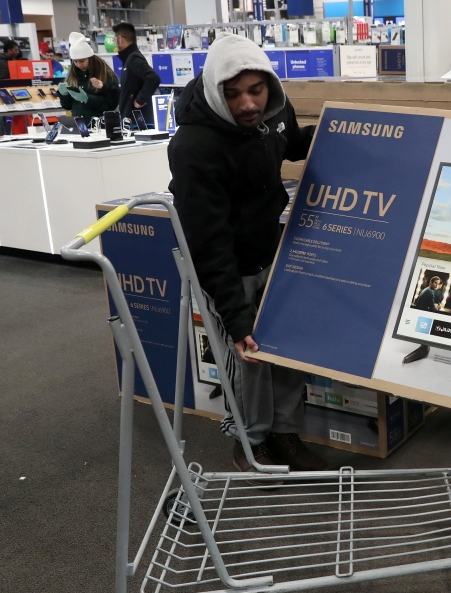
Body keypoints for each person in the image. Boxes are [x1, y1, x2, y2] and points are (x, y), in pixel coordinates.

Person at [167, 35, 324, 474]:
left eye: (256, 90)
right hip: (227, 265)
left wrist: (332, 132)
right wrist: (236, 318)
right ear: (216, 91)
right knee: (250, 354)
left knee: (286, 344)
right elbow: (207, 240)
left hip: (270, 250)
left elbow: (289, 143)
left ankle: (286, 435)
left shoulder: (274, 109)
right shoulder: (194, 146)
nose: (248, 104)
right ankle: (250, 443)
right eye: (233, 94)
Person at [57, 33, 120, 123]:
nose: (79, 64)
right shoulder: (72, 77)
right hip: (79, 126)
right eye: (75, 61)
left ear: (90, 58)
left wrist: (88, 99)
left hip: (100, 126)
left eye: (82, 61)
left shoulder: (106, 75)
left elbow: (112, 104)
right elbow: (67, 106)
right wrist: (64, 95)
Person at [113, 23, 160, 120]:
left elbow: (153, 78)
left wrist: (140, 100)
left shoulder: (133, 58)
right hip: (132, 120)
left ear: (120, 39)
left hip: (137, 122)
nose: (115, 43)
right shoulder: (128, 59)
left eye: (115, 39)